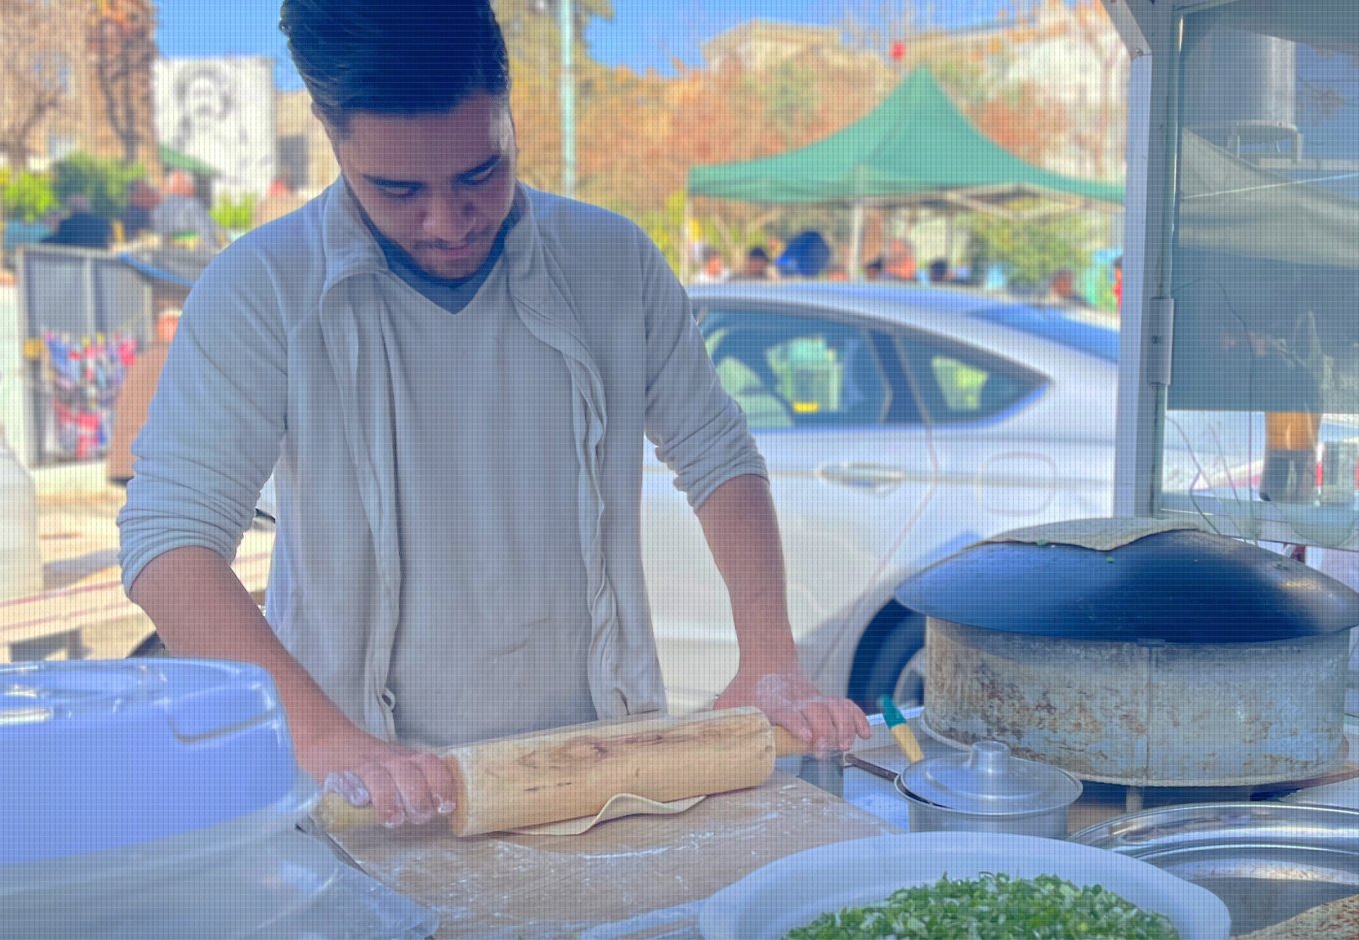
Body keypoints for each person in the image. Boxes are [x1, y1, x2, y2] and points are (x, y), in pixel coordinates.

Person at [118, 0, 869, 827]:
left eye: (480, 172)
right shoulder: (261, 289)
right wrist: (335, 746)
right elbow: (170, 543)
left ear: (509, 115)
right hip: (370, 785)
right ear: (332, 135)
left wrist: (769, 655)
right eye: (398, 190)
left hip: (605, 762)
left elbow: (718, 455)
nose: (447, 223)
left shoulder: (611, 261)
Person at [153, 170, 225, 250]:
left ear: (169, 188)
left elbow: (156, 236)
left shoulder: (158, 210)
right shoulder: (192, 205)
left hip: (164, 255)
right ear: (186, 187)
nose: (194, 189)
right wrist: (215, 247)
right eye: (192, 185)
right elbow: (207, 232)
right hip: (194, 256)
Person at [46, 194, 115, 248]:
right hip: (99, 263)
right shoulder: (103, 223)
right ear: (88, 207)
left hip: (71, 263)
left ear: (71, 209)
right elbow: (111, 245)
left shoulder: (66, 225)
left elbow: (56, 243)